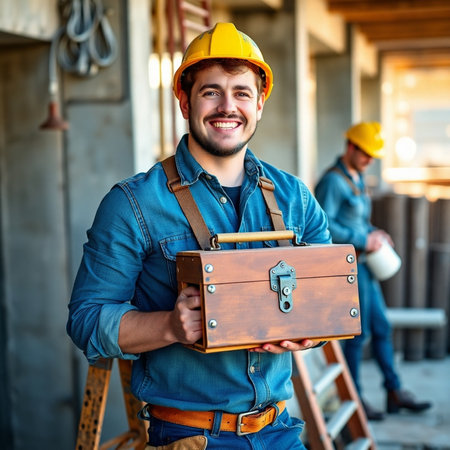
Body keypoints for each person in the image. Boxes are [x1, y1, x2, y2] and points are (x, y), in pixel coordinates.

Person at [67, 22, 332, 449]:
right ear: (184, 100)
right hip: (190, 435)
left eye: (242, 93)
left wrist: (310, 329)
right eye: (211, 92)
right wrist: (170, 326)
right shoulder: (133, 203)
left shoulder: (294, 197)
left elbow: (328, 292)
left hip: (279, 431)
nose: (228, 107)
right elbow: (86, 320)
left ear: (260, 104)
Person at [315, 122, 432, 421]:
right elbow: (321, 226)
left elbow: (355, 222)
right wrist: (362, 239)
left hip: (365, 267)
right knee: (357, 335)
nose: (370, 160)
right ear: (351, 147)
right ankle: (353, 398)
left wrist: (373, 233)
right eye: (366, 154)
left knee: (382, 328)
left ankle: (394, 391)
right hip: (347, 269)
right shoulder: (333, 182)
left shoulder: (357, 178)